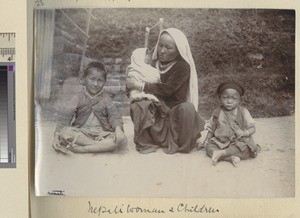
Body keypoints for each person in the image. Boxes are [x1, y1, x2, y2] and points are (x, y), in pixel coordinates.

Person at [127, 28, 205, 154]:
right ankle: (147, 141)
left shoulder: (182, 67)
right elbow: (136, 77)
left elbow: (168, 89)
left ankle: (180, 141)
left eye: (168, 48)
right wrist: (131, 84)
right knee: (140, 105)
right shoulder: (152, 64)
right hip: (156, 111)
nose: (162, 51)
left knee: (187, 108)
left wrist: (140, 85)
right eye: (160, 45)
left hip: (174, 113)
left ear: (178, 50)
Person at [52, 62, 127, 154]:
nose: (95, 84)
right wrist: (56, 137)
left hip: (102, 134)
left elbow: (114, 116)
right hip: (82, 133)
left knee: (121, 139)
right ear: (84, 79)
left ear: (104, 82)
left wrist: (118, 130)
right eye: (92, 79)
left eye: (100, 81)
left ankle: (83, 149)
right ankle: (97, 147)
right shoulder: (77, 97)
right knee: (65, 132)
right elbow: (65, 117)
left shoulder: (106, 99)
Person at [203, 81, 259, 167]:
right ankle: (227, 157)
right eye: (225, 97)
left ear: (240, 99)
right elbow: (211, 128)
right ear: (220, 97)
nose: (229, 101)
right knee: (208, 146)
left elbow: (253, 128)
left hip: (237, 142)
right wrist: (206, 141)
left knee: (246, 148)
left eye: (234, 98)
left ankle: (222, 153)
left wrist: (245, 133)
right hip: (220, 141)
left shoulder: (243, 112)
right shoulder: (217, 112)